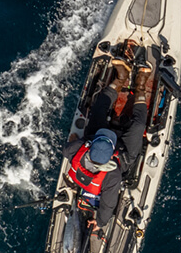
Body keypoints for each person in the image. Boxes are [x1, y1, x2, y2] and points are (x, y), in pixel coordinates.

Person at [62, 47, 153, 235]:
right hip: (124, 154)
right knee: (138, 125)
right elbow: (108, 203)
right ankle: (140, 87)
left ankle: (120, 78)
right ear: (111, 153)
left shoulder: (79, 148)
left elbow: (67, 149)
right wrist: (100, 222)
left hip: (94, 140)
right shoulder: (112, 177)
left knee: (99, 108)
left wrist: (76, 141)